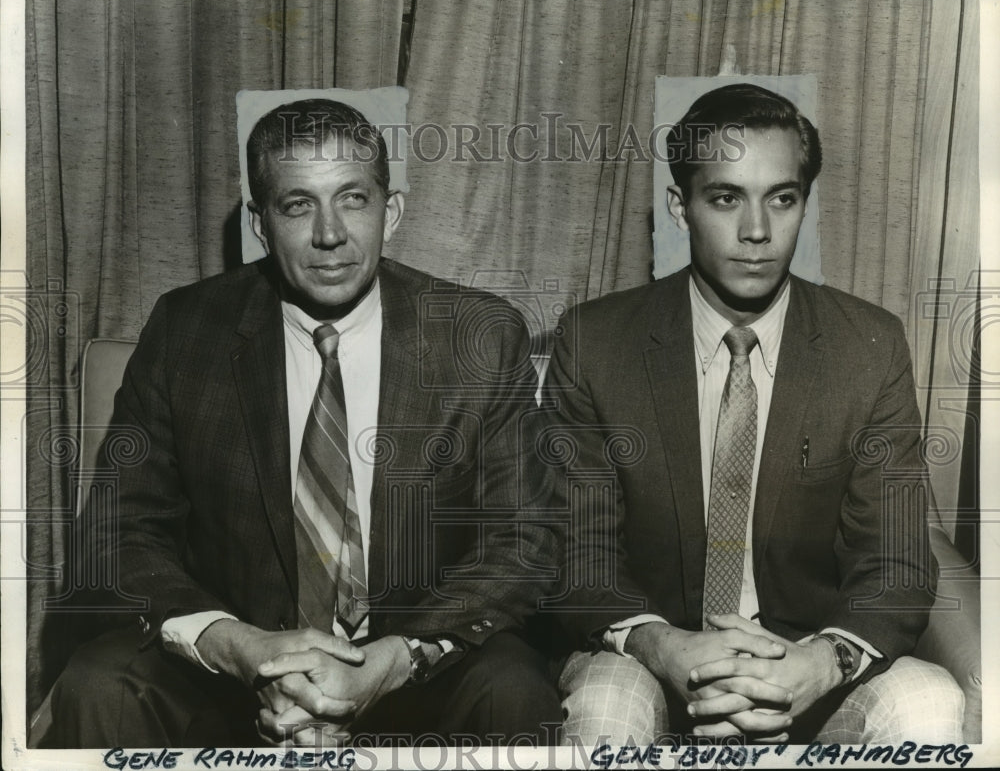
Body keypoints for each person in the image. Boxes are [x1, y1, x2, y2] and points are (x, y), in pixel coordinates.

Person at [44, 98, 561, 747]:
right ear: (260, 224)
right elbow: (120, 531)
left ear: (392, 211)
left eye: (353, 199)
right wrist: (241, 649)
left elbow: (524, 539)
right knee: (100, 682)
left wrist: (392, 662)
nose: (329, 234)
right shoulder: (186, 330)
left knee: (512, 687)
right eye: (297, 205)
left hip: (414, 672)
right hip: (235, 678)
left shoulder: (477, 335)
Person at [547, 83, 963, 745]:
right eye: (725, 198)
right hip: (653, 660)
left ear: (804, 204)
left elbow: (896, 559)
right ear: (679, 207)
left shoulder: (870, 346)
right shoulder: (595, 343)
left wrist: (822, 663)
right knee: (606, 704)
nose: (757, 231)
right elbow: (577, 549)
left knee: (928, 699)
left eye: (782, 198)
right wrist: (664, 647)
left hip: (808, 663)